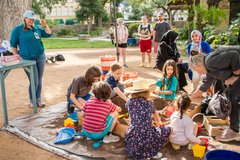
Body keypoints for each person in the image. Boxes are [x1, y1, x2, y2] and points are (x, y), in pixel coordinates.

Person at [190, 47, 240, 142]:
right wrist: (190, 97)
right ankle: (234, 125)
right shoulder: (209, 69)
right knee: (229, 95)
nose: (197, 72)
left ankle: (234, 131)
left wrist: (235, 76)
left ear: (199, 65)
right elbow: (204, 86)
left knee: (233, 97)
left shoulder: (210, 62)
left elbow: (235, 56)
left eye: (195, 69)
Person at [10, 10, 52, 107]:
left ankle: (38, 99)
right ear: (24, 18)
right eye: (29, 19)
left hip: (40, 57)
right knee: (34, 80)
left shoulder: (36, 28)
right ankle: (32, 100)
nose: (31, 21)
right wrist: (16, 55)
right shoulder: (18, 29)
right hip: (28, 59)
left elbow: (48, 33)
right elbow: (13, 44)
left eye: (33, 19)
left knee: (39, 79)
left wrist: (45, 25)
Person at [125, 78, 171, 159]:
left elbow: (131, 111)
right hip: (147, 135)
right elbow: (157, 119)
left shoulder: (129, 102)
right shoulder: (149, 104)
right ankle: (151, 152)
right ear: (147, 92)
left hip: (133, 134)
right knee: (166, 129)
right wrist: (159, 124)